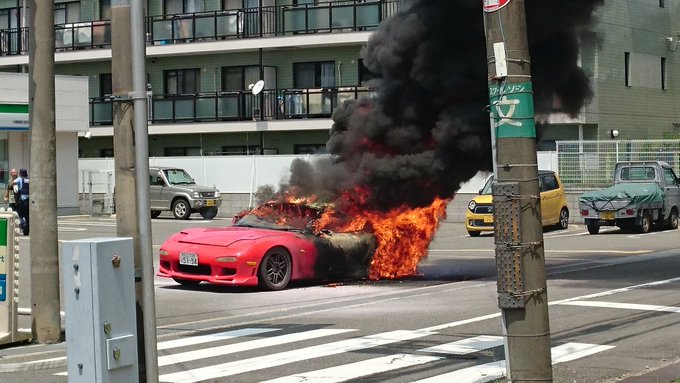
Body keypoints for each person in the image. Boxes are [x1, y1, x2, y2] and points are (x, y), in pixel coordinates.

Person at [13, 168, 29, 235]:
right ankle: (26, 231)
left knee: (19, 215)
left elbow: (13, 183)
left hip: (22, 200)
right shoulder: (28, 180)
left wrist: (15, 188)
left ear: (20, 173)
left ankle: (23, 225)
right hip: (29, 200)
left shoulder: (19, 179)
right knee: (27, 216)